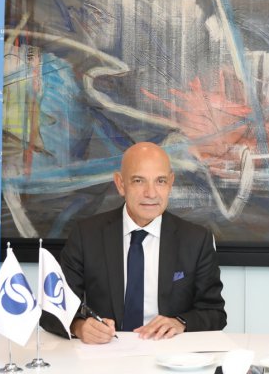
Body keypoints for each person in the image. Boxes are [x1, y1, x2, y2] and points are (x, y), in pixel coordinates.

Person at [41, 142, 226, 344]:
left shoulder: (196, 240)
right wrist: (79, 326)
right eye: (139, 181)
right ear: (120, 184)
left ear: (170, 183)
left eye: (160, 181)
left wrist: (180, 322)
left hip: (168, 352)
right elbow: (51, 311)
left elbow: (215, 313)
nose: (151, 193)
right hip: (106, 351)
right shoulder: (86, 235)